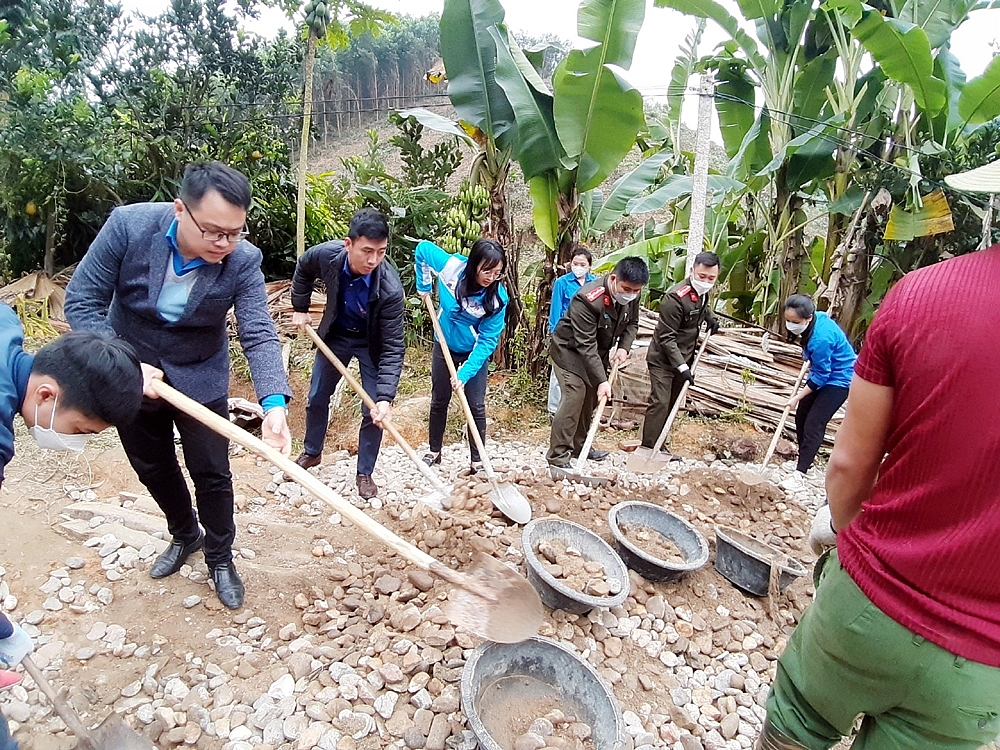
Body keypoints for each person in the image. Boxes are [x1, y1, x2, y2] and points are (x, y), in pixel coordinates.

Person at [759, 245, 1000, 750]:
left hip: (872, 598)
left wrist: (842, 528)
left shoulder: (924, 294)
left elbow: (848, 464)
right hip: (982, 666)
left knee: (796, 728)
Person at [65, 161, 293, 610]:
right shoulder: (128, 227)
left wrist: (274, 404)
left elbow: (259, 332)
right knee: (151, 465)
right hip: (129, 368)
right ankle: (184, 533)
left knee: (211, 471)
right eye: (212, 231)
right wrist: (124, 363)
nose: (224, 244)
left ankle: (220, 556)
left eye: (235, 232)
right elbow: (82, 300)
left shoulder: (242, 261)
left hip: (200, 373)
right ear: (179, 210)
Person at [290, 208, 404, 500]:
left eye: (380, 252)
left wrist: (385, 397)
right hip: (336, 335)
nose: (373, 260)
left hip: (370, 344)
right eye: (367, 251)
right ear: (348, 244)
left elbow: (393, 346)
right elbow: (303, 268)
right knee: (317, 396)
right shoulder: (327, 256)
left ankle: (365, 472)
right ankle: (312, 452)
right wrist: (300, 308)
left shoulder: (390, 289)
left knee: (373, 411)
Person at [415, 238, 508, 473]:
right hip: (444, 342)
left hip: (473, 351)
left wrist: (464, 373)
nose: (491, 277)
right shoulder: (452, 268)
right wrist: (423, 286)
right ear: (474, 264)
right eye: (487, 270)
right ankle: (434, 451)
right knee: (439, 400)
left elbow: (487, 341)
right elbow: (423, 250)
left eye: (497, 273)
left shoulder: (497, 299)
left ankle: (477, 460)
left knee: (475, 405)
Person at [547, 256, 649, 469]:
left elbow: (632, 323)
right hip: (569, 351)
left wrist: (624, 347)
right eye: (627, 289)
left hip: (596, 354)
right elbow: (585, 345)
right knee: (575, 395)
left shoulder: (632, 295)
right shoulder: (587, 299)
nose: (630, 294)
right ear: (613, 279)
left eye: (636, 291)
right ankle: (558, 456)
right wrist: (603, 380)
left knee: (591, 399)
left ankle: (579, 447)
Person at [641, 252, 720, 458]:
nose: (706, 282)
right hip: (663, 360)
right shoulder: (675, 298)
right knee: (660, 402)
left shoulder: (702, 293)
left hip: (684, 357)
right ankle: (649, 448)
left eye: (711, 278)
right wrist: (682, 367)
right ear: (692, 271)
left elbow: (702, 306)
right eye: (702, 276)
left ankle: (661, 444)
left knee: (673, 402)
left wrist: (710, 318)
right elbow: (666, 338)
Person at [782, 294, 856, 475]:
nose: (791, 325)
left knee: (814, 423)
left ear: (808, 318)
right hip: (823, 373)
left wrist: (797, 397)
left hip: (840, 379)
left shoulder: (820, 339)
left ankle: (801, 471)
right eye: (788, 320)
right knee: (801, 416)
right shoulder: (818, 317)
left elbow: (822, 375)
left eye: (795, 321)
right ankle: (805, 458)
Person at [547, 247, 596, 416]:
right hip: (564, 333)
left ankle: (579, 408)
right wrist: (554, 332)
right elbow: (555, 309)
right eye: (575, 263)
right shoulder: (562, 283)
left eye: (582, 264)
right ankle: (554, 409)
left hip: (586, 334)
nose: (578, 267)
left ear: (589, 266)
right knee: (558, 371)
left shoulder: (594, 283)